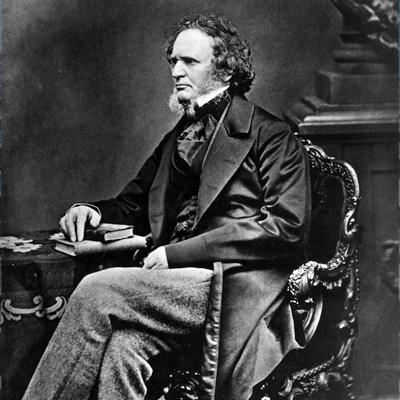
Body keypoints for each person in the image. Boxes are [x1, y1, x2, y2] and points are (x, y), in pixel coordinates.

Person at [23, 14, 310, 400]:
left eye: (189, 61)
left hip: (233, 285)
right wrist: (92, 211)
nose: (176, 71)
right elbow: (134, 203)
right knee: (122, 350)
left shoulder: (271, 135)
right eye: (173, 61)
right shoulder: (181, 133)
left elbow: (285, 227)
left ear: (226, 70)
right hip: (172, 287)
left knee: (96, 291)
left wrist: (177, 254)